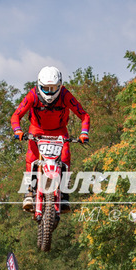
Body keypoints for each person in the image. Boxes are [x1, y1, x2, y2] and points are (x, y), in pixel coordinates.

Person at [11, 66, 90, 213]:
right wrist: (18, 130)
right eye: (45, 88)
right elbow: (16, 115)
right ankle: (29, 191)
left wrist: (84, 133)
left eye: (53, 88)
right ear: (39, 85)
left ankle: (64, 193)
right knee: (31, 157)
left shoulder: (65, 95)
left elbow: (84, 115)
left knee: (65, 157)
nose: (49, 92)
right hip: (37, 130)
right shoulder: (33, 95)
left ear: (59, 86)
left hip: (59, 131)